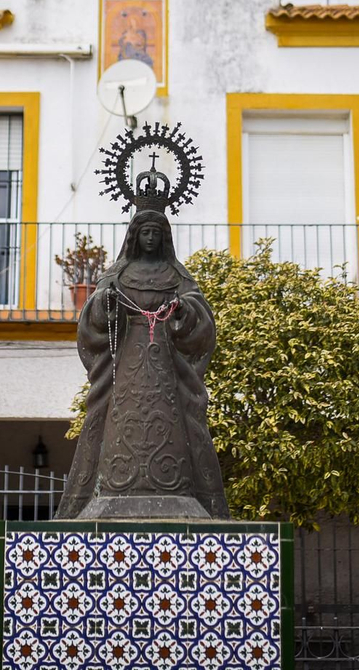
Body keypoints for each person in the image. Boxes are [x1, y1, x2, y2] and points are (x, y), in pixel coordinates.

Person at [57, 209, 229, 519]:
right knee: (113, 421)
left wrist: (182, 310)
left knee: (179, 423)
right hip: (126, 363)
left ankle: (187, 495)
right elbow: (93, 314)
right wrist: (105, 303)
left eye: (156, 233)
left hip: (166, 363)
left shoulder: (177, 276)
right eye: (146, 233)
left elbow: (199, 313)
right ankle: (109, 488)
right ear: (136, 237)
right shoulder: (118, 274)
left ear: (165, 238)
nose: (151, 238)